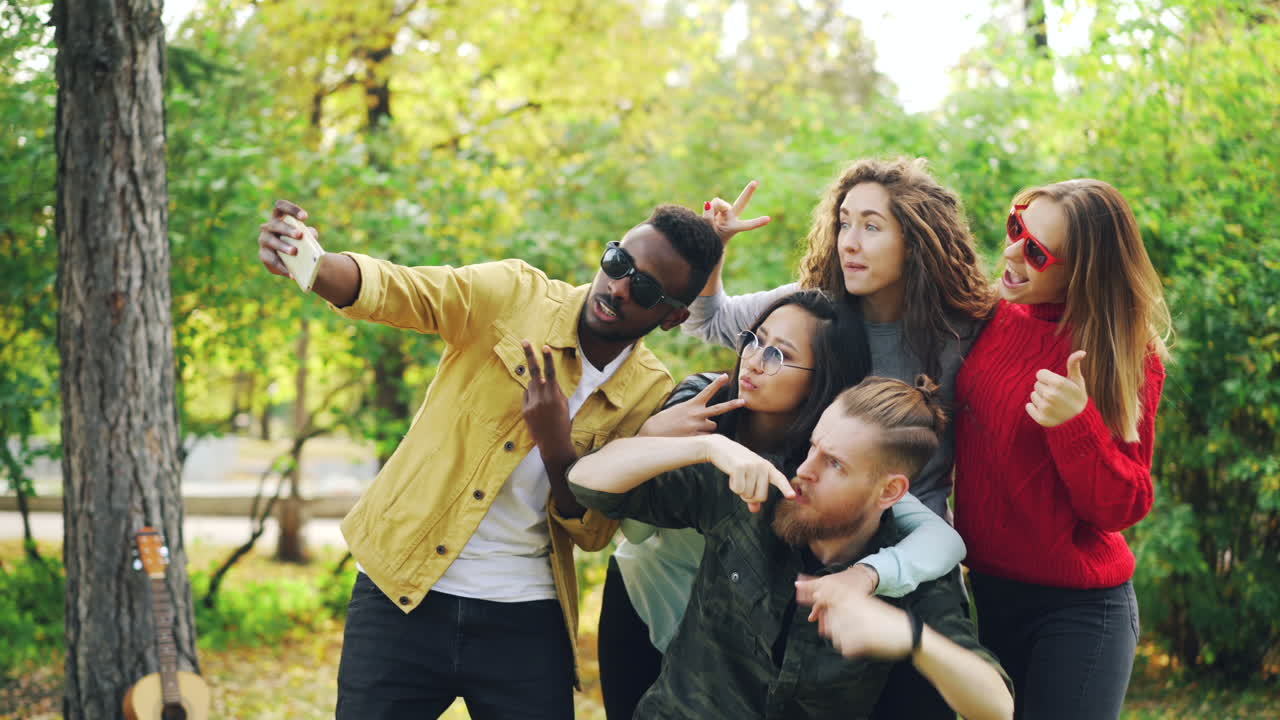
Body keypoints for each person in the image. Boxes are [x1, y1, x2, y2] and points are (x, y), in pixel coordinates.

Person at [255, 199, 723, 719]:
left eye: (646, 290)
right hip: (401, 592)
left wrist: (557, 446)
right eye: (618, 263)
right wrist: (312, 263)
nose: (618, 288)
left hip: (525, 616)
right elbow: (401, 290)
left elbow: (592, 532)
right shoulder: (515, 296)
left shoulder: (649, 394)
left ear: (672, 317)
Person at [679, 158, 997, 716]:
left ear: (916, 239)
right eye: (844, 222)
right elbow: (707, 320)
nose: (849, 241)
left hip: (913, 554)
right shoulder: (816, 310)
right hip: (809, 543)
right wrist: (714, 250)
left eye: (872, 226)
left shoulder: (963, 330)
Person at [596, 290, 967, 719]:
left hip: (741, 628)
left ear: (821, 377)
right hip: (652, 592)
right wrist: (660, 440)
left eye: (779, 354)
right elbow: (635, 527)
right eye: (755, 340)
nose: (754, 361)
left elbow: (941, 538)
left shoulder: (816, 464)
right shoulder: (705, 402)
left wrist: (867, 575)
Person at [569, 377, 1014, 720]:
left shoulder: (913, 572)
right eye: (813, 446)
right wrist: (707, 446)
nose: (805, 469)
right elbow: (586, 481)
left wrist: (911, 638)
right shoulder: (753, 494)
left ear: (889, 492)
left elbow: (997, 707)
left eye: (834, 464)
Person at [952, 179, 1171, 719]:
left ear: (1084, 272)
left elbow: (1124, 506)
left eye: (1036, 252)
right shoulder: (987, 315)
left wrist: (1076, 425)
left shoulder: (1122, 354)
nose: (1010, 253)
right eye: (1016, 227)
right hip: (988, 593)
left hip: (1079, 610)